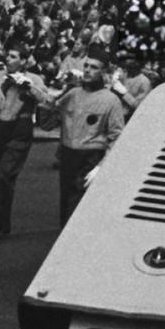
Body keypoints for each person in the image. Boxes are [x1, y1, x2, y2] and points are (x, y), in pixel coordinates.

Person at [0, 46, 49, 242]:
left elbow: (45, 100)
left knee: (4, 175)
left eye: (13, 56)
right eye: (8, 56)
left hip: (19, 129)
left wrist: (28, 87)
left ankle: (0, 224)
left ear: (24, 61)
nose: (8, 59)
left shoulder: (33, 78)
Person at [53, 52, 124, 227]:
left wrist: (102, 165)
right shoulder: (73, 94)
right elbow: (48, 121)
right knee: (66, 201)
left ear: (103, 72)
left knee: (78, 207)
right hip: (68, 154)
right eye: (86, 66)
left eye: (94, 67)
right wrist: (59, 93)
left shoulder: (111, 100)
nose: (87, 70)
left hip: (91, 156)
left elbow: (117, 137)